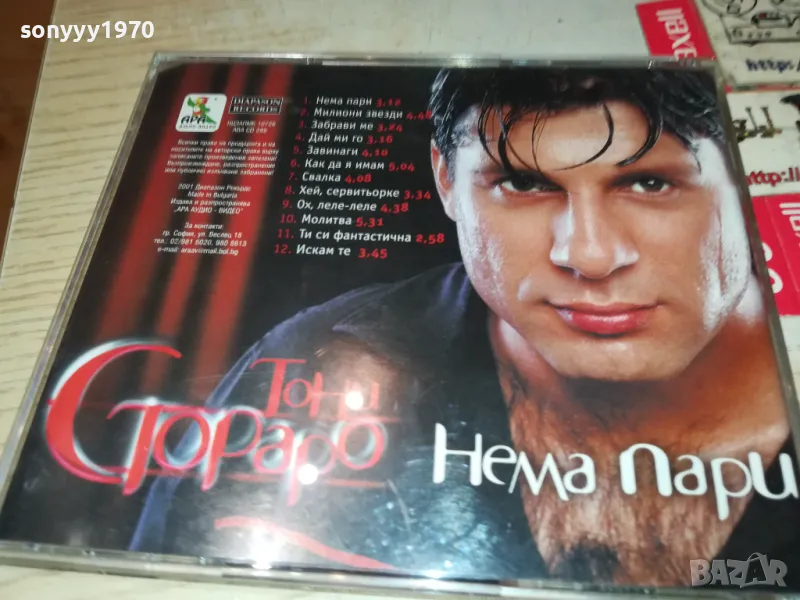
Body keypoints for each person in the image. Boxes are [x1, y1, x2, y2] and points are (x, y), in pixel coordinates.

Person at [131, 66, 800, 588]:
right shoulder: (318, 360)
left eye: (650, 184)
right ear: (446, 181)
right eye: (525, 184)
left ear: (748, 180)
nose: (590, 255)